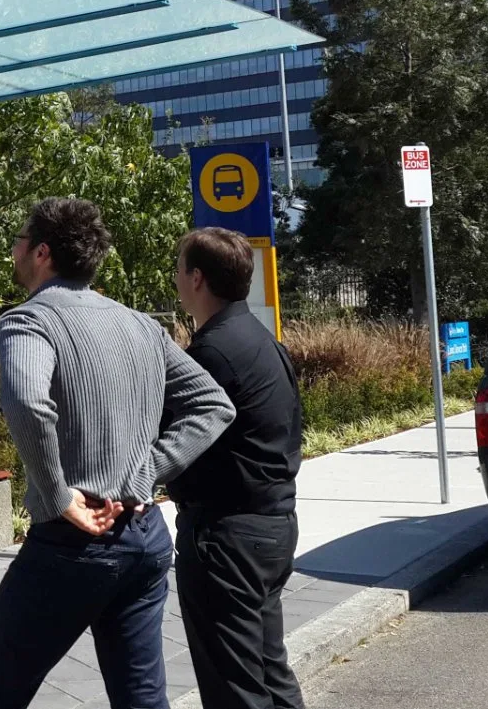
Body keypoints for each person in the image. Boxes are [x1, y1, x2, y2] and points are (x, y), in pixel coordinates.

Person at [0, 198, 235, 709]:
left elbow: (25, 400)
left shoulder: (27, 321)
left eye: (19, 240)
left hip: (72, 543)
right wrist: (145, 474)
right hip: (145, 538)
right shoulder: (141, 325)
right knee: (142, 698)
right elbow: (213, 405)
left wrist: (59, 495)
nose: (13, 250)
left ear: (41, 252)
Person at [169, 228, 306, 709]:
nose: (176, 278)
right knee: (270, 674)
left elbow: (178, 439)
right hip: (272, 526)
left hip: (227, 535)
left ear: (198, 279)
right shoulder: (261, 340)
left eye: (180, 268)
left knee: (235, 688)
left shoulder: (212, 354)